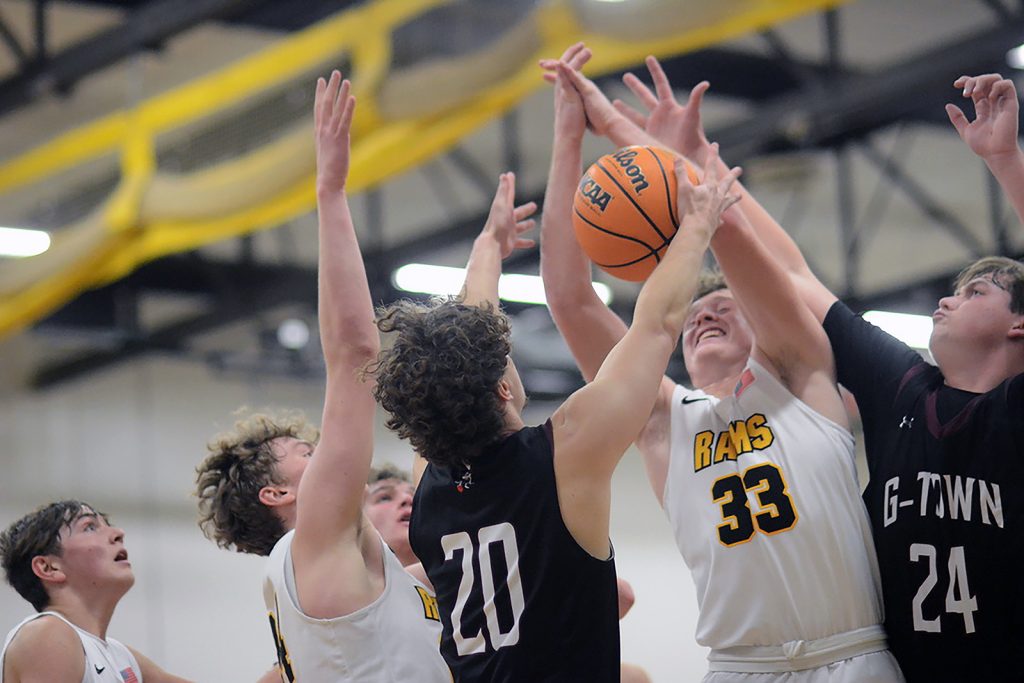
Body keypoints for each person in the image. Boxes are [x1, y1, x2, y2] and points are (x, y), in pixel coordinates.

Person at [598, 53, 1024, 682]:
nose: (945, 299)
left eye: (975, 293)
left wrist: (1005, 160)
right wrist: (690, 160)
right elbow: (792, 272)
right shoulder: (904, 388)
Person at [538, 45, 903, 681]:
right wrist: (568, 138)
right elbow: (570, 299)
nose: (704, 317)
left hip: (848, 655)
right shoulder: (663, 419)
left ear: (759, 324)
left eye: (724, 308)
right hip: (739, 666)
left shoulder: (800, 371)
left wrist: (624, 133)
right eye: (693, 315)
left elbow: (728, 227)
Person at [369, 68, 740, 678]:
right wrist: (696, 225)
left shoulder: (430, 482)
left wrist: (488, 249)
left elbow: (465, 345)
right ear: (501, 387)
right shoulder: (563, 453)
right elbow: (654, 326)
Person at [193, 71, 450, 683]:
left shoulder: (369, 569)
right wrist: (331, 193)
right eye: (307, 454)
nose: (330, 453)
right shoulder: (314, 542)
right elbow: (356, 351)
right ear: (277, 495)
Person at [0, 500, 192, 683]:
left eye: (107, 525)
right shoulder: (46, 634)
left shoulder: (120, 657)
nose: (118, 533)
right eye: (90, 527)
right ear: (49, 568)